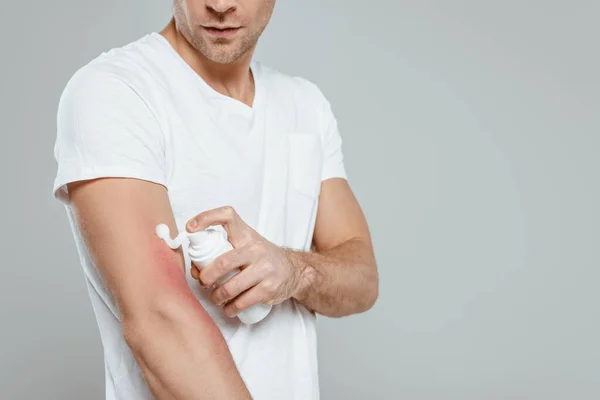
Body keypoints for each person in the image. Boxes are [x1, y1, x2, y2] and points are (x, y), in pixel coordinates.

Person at [52, 0, 379, 399]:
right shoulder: (117, 91)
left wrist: (294, 270)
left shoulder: (305, 105)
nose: (220, 4)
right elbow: (159, 321)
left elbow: (362, 278)